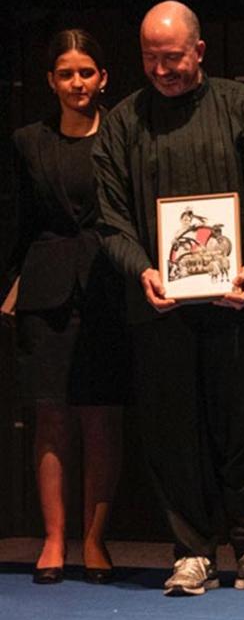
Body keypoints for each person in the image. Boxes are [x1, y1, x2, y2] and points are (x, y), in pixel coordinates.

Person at [92, 0, 244, 597]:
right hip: (160, 308)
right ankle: (192, 552)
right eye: (151, 59)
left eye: (173, 57)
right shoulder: (124, 123)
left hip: (242, 301)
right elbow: (111, 220)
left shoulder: (242, 107)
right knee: (172, 427)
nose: (162, 69)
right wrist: (144, 271)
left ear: (199, 51)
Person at [3, 29, 130, 585]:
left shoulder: (125, 134)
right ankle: (54, 540)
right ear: (51, 81)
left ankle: (95, 541)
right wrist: (11, 284)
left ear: (103, 77)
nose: (77, 83)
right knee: (50, 418)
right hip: (46, 288)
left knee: (101, 419)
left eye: (86, 72)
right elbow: (17, 224)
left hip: (109, 284)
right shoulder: (27, 140)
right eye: (65, 73)